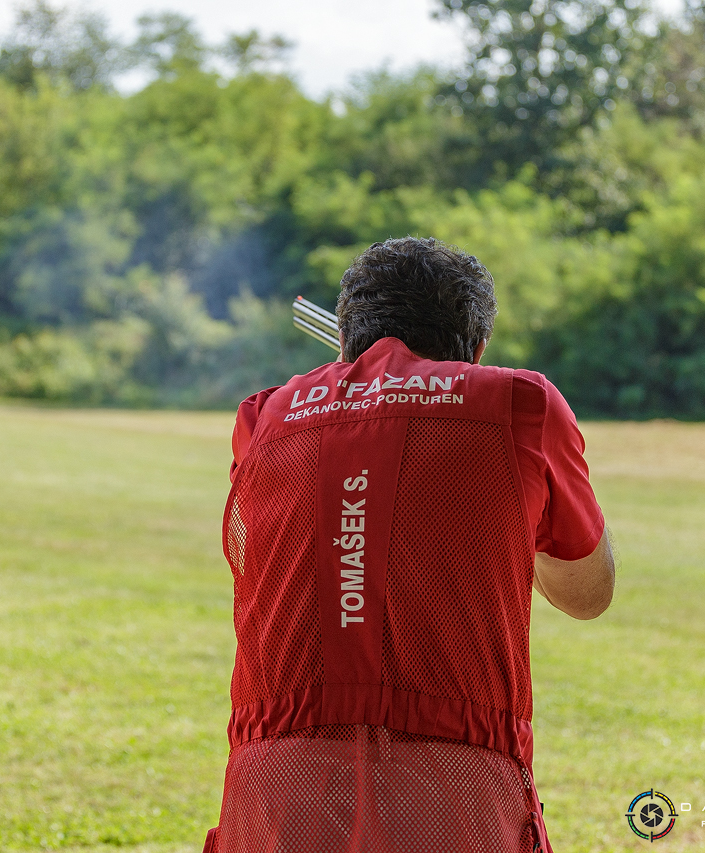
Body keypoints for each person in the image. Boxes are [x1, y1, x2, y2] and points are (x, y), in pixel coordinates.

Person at [204, 237, 615, 853]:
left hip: (277, 776)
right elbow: (588, 593)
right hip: (457, 776)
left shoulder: (264, 416)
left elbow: (251, 548)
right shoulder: (520, 404)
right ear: (477, 347)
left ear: (346, 338)